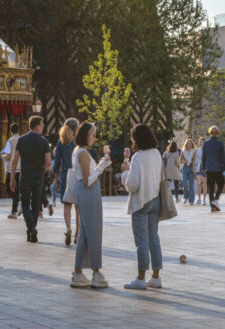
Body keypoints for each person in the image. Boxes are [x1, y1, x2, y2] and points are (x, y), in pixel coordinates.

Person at [122, 124, 165, 290]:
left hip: (141, 202)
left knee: (142, 242)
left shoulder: (138, 157)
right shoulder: (156, 153)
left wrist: (125, 173)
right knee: (154, 239)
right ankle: (155, 277)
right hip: (155, 199)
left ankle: (140, 278)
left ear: (136, 139)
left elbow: (132, 185)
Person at [70, 122, 112, 289]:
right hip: (89, 193)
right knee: (93, 233)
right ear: (85, 135)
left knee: (85, 234)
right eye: (92, 135)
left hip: (84, 193)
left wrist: (100, 163)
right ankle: (96, 273)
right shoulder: (83, 153)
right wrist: (102, 165)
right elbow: (88, 180)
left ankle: (78, 272)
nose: (94, 138)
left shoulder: (78, 151)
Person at [10, 116, 52, 243]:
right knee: (35, 204)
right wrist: (42, 170)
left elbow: (15, 160)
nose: (43, 126)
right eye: (42, 124)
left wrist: (12, 178)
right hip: (38, 176)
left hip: (25, 176)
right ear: (36, 126)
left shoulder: (22, 140)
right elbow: (49, 162)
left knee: (25, 204)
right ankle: (32, 229)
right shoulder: (44, 141)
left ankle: (31, 228)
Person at [53, 118, 79, 246]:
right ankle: (77, 234)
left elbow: (56, 163)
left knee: (67, 206)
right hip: (77, 176)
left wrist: (56, 177)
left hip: (65, 176)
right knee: (78, 206)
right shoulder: (78, 143)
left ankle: (68, 229)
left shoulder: (60, 142)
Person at [203, 126, 225, 212]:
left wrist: (203, 168)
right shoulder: (220, 143)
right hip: (218, 169)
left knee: (211, 187)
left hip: (209, 168)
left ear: (210, 133)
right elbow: (222, 157)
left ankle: (212, 206)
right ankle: (216, 200)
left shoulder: (206, 143)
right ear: (217, 133)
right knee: (221, 183)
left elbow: (204, 156)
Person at [2, 122, 21, 218]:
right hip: (20, 169)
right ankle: (14, 211)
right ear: (19, 130)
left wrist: (3, 155)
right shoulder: (22, 139)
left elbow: (8, 155)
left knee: (8, 189)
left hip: (11, 169)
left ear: (10, 131)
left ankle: (18, 201)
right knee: (17, 190)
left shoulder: (10, 141)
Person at [180, 139, 197, 205]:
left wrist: (193, 164)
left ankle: (191, 200)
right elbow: (180, 160)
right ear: (186, 144)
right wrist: (185, 161)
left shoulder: (194, 151)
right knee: (185, 184)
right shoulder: (183, 151)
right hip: (185, 168)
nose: (189, 145)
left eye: (190, 143)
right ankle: (186, 196)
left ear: (192, 144)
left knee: (191, 185)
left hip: (191, 168)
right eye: (188, 143)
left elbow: (195, 160)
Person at [194, 138, 206, 206]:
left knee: (204, 184)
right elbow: (195, 160)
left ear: (204, 142)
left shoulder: (206, 150)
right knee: (199, 183)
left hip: (205, 168)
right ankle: (199, 199)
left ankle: (204, 200)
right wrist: (194, 169)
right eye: (199, 142)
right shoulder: (197, 150)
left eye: (201, 142)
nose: (200, 143)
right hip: (198, 168)